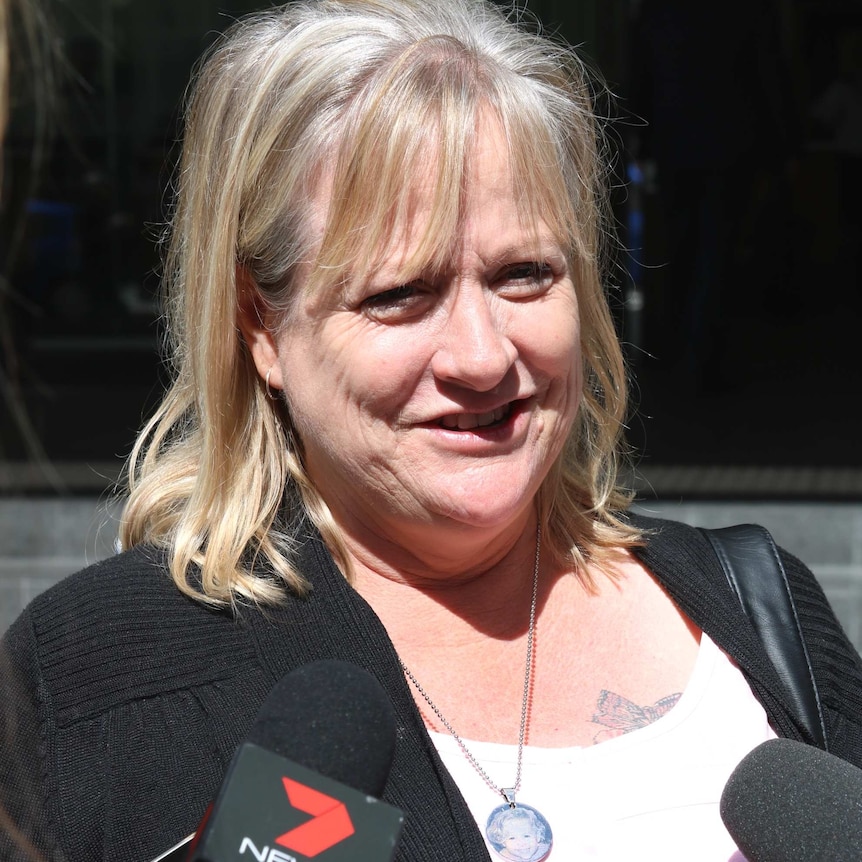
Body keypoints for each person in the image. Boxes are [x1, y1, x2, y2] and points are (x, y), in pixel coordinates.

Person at [1, 0, 861, 860]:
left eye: (524, 275)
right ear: (261, 325)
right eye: (399, 295)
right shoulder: (91, 685)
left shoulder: (763, 612)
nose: (483, 357)